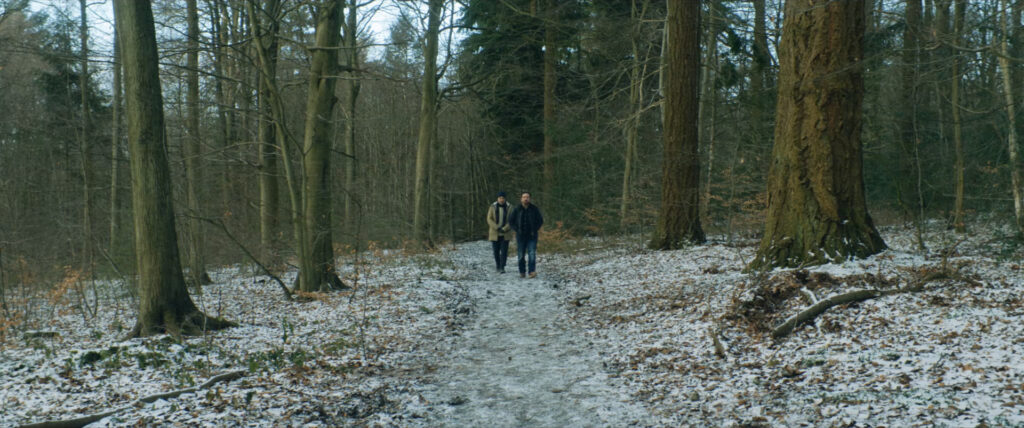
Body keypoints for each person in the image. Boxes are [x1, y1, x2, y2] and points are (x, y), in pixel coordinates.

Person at [508, 192, 543, 278]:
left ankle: (531, 271)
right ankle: (522, 271)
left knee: (532, 253)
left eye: (527, 197)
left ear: (530, 199)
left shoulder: (534, 209)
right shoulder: (517, 209)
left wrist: (535, 229)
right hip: (520, 236)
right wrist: (516, 229)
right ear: (521, 199)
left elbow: (540, 220)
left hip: (532, 235)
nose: (526, 199)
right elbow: (511, 221)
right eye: (524, 197)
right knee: (521, 254)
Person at [487, 191, 512, 273]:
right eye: (500, 198)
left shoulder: (510, 207)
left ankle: (502, 267)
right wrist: (496, 227)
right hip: (495, 233)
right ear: (497, 198)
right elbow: (489, 219)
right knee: (496, 251)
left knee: (504, 251)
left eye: (503, 198)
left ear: (505, 199)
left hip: (505, 233)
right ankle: (498, 265)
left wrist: (505, 228)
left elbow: (512, 220)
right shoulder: (492, 207)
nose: (501, 200)